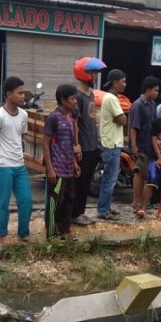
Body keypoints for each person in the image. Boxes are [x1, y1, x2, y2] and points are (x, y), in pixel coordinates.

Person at [0, 76, 33, 244]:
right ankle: (2, 235)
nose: (23, 96)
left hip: (19, 165)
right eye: (19, 93)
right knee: (2, 202)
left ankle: (23, 233)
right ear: (8, 94)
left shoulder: (23, 115)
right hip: (3, 166)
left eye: (23, 93)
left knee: (26, 200)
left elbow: (20, 137)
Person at [43, 84, 81, 238]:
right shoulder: (54, 118)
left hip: (68, 168)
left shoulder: (70, 117)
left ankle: (64, 229)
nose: (75, 101)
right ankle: (51, 233)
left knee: (69, 199)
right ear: (63, 100)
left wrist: (74, 163)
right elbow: (45, 143)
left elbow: (69, 144)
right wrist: (50, 169)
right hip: (57, 169)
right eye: (72, 98)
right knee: (55, 201)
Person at [71, 57, 106, 226]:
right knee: (80, 182)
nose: (95, 76)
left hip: (93, 145)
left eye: (96, 73)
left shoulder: (91, 94)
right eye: (92, 73)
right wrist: (76, 145)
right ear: (84, 74)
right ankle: (75, 214)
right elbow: (75, 123)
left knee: (86, 183)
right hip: (83, 147)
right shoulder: (77, 97)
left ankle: (81, 212)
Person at [97, 68, 128, 221]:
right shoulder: (111, 99)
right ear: (115, 82)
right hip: (111, 144)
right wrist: (120, 117)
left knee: (110, 179)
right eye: (123, 81)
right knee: (109, 179)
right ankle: (103, 210)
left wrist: (119, 117)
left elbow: (120, 119)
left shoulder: (111, 98)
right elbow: (123, 120)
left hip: (111, 142)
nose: (125, 84)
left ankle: (106, 206)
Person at [129, 76, 161, 213]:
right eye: (155, 90)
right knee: (140, 173)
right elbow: (133, 127)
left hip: (150, 145)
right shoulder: (138, 105)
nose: (157, 93)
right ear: (147, 90)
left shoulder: (152, 105)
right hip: (140, 144)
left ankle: (142, 201)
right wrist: (134, 145)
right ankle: (136, 202)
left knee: (146, 174)